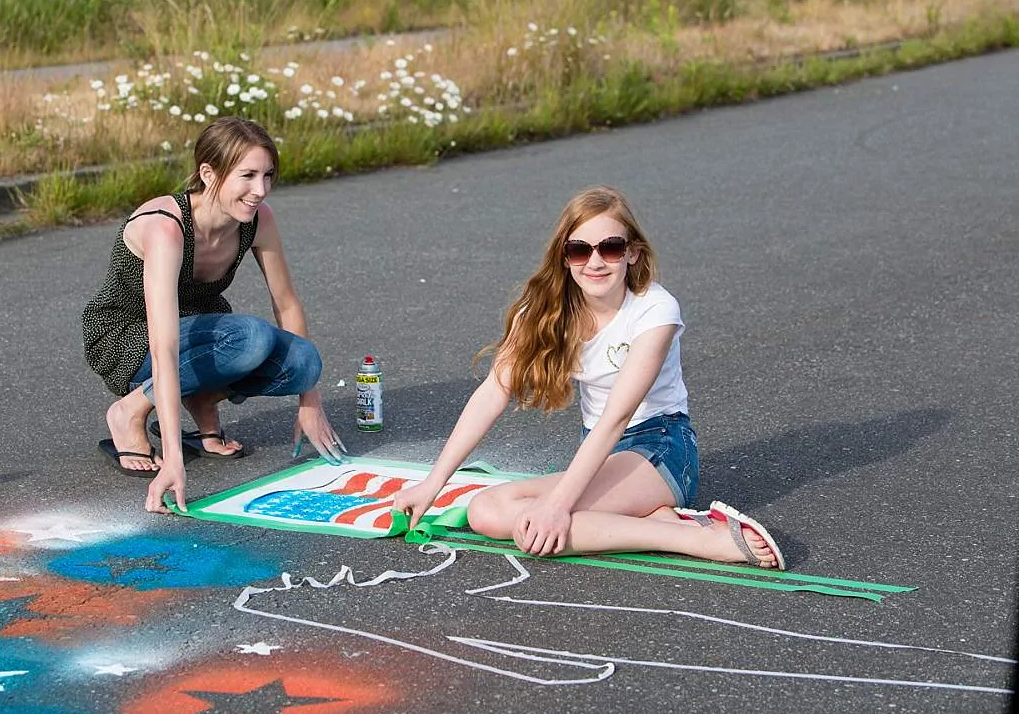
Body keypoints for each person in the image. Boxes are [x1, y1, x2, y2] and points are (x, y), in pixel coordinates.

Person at [392, 186, 785, 568]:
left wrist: (558, 505)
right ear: (564, 257)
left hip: (660, 448)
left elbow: (617, 415)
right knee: (485, 510)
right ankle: (656, 519)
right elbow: (494, 390)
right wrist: (433, 482)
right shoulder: (544, 309)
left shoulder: (654, 310)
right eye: (580, 250)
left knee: (536, 525)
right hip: (599, 450)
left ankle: (699, 539)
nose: (594, 262)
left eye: (610, 248)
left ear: (632, 253)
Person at [82, 116, 345, 514]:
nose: (260, 190)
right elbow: (164, 345)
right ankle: (130, 410)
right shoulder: (166, 228)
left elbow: (287, 303)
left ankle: (201, 399)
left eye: (268, 175)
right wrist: (173, 459)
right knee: (251, 338)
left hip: (205, 335)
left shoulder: (258, 219)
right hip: (128, 338)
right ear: (208, 173)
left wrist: (310, 403)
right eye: (248, 176)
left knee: (304, 361)